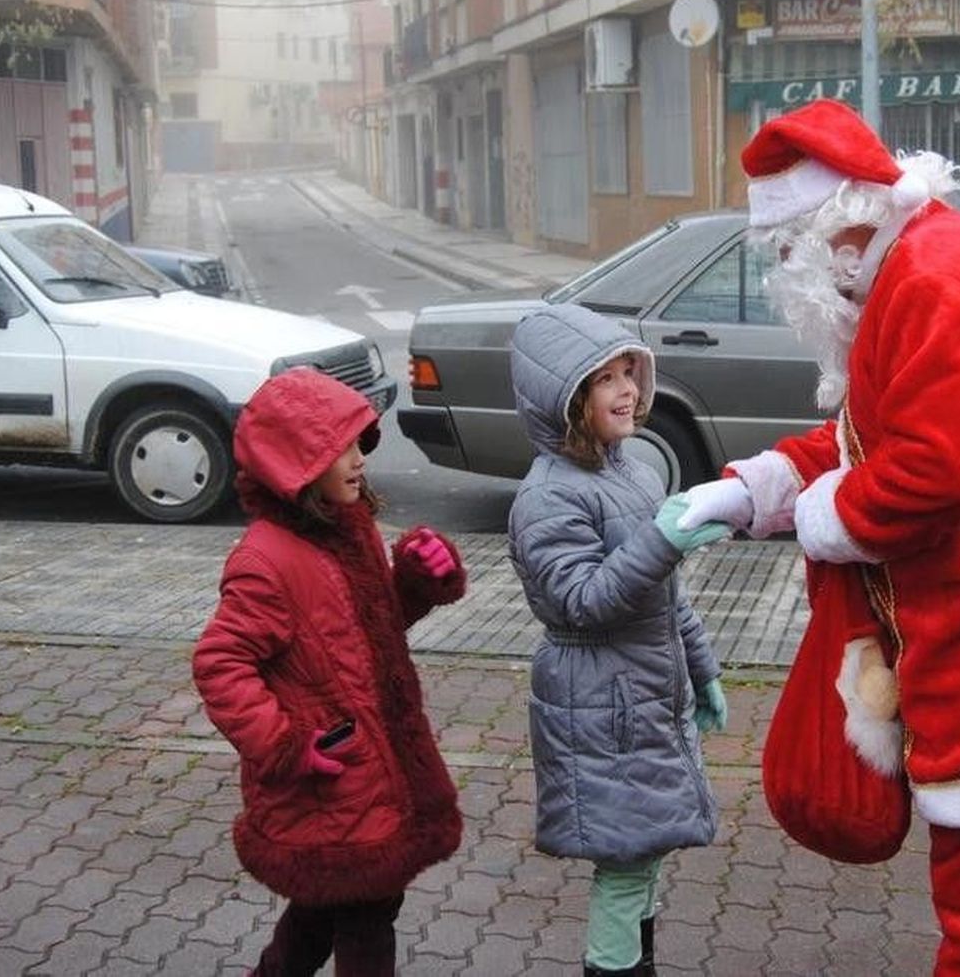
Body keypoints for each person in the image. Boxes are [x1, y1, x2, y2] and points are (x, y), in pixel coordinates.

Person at [678, 98, 960, 976]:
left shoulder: (934, 281)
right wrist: (755, 488)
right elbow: (872, 437)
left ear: (837, 229)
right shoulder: (910, 271)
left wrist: (819, 519)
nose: (787, 277)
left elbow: (934, 472)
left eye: (789, 253)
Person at [192, 367, 467, 977]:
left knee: (328, 908)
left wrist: (419, 582)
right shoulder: (266, 561)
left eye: (358, 442)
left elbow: (373, 625)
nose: (360, 459)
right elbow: (220, 663)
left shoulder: (349, 531)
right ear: (294, 464)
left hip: (374, 763)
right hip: (332, 773)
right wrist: (285, 745)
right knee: (366, 914)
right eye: (339, 448)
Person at [506, 304, 730, 977]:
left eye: (629, 371)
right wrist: (663, 541)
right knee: (626, 867)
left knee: (647, 854)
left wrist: (703, 668)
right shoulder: (547, 498)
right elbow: (581, 603)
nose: (627, 389)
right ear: (567, 398)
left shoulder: (630, 471)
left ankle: (638, 963)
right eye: (604, 379)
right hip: (603, 704)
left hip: (646, 695)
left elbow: (664, 600)